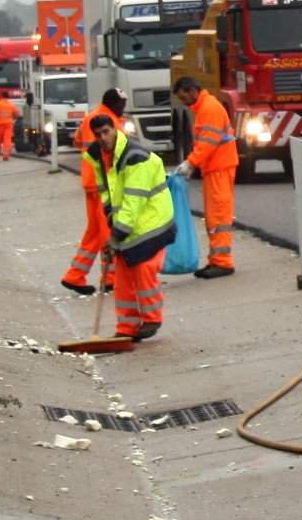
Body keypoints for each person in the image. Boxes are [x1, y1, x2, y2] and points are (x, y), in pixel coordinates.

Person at [90, 98, 175, 341]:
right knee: (123, 276)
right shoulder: (103, 160)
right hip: (130, 225)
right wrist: (111, 229)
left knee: (143, 268)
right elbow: (108, 197)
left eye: (106, 132)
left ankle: (151, 320)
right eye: (98, 135)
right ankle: (126, 328)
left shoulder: (134, 158)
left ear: (115, 129)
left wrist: (117, 234)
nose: (103, 138)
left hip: (152, 223)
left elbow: (133, 200)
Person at [60, 90, 125, 296]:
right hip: (103, 184)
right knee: (107, 231)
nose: (124, 107)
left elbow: (77, 142)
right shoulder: (109, 122)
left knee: (95, 232)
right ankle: (111, 278)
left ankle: (75, 275)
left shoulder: (90, 118)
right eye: (122, 103)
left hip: (91, 182)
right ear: (113, 103)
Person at [173, 75, 237, 279]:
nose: (184, 102)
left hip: (219, 167)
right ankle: (216, 260)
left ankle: (222, 262)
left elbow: (207, 144)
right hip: (216, 167)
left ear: (192, 91)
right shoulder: (205, 108)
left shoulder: (209, 109)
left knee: (218, 216)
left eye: (184, 97)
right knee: (214, 215)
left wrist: (190, 163)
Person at [0, 90, 20, 162]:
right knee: (7, 140)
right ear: (8, 97)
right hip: (9, 124)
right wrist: (12, 118)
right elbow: (16, 114)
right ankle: (6, 155)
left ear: (1, 96)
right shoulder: (11, 105)